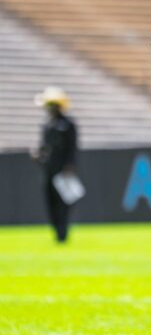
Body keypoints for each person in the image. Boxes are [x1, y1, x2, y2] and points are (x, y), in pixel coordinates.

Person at [32, 86, 79, 243]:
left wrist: (70, 165)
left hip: (62, 171)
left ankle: (62, 234)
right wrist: (38, 155)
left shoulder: (68, 125)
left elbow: (72, 147)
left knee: (63, 204)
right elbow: (44, 147)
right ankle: (56, 232)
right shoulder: (47, 126)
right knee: (50, 202)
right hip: (48, 170)